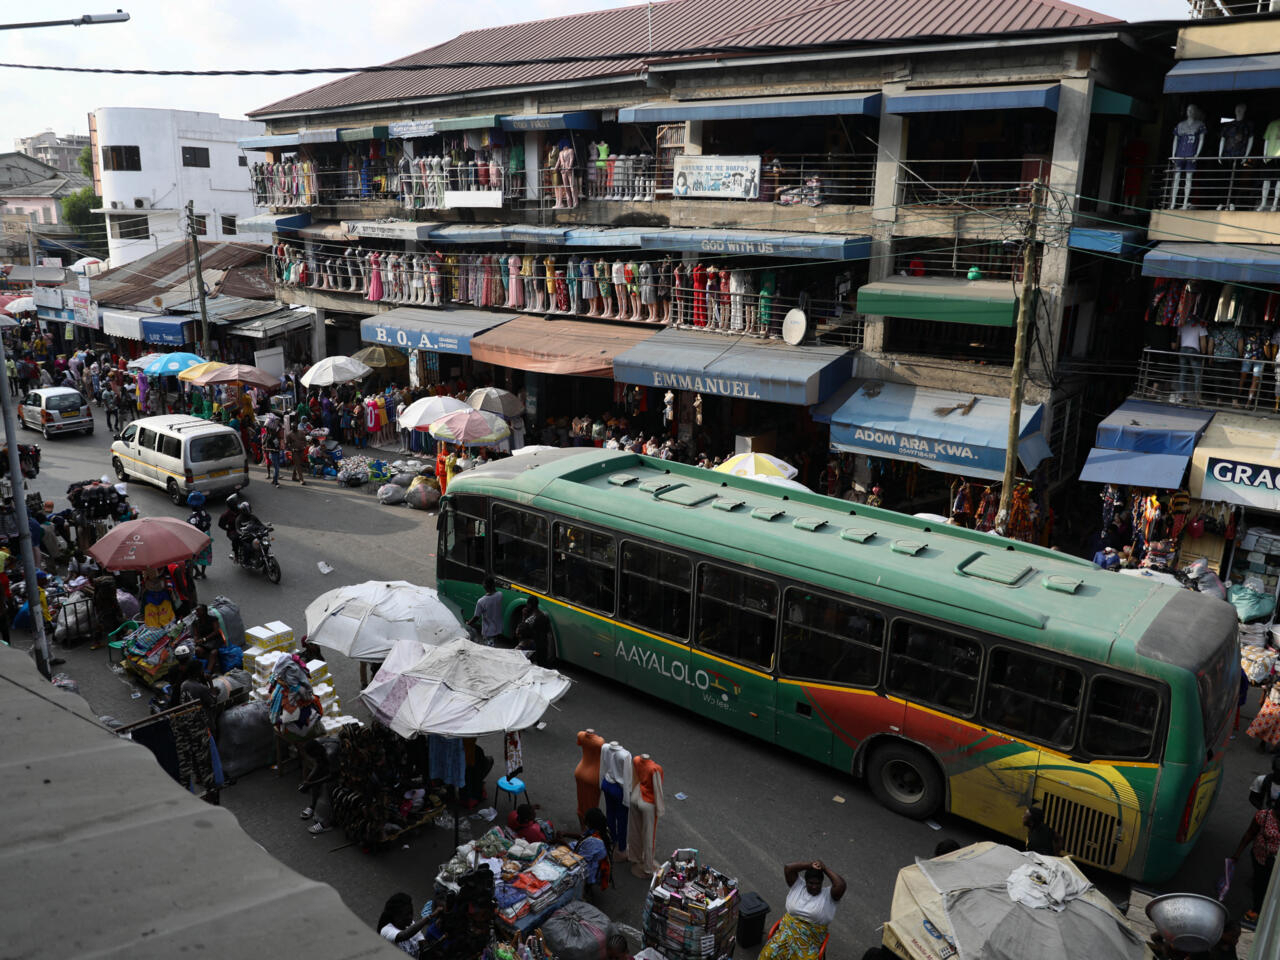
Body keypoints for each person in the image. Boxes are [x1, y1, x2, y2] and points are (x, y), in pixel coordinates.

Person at [759, 860, 846, 960]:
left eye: (818, 884)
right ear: (806, 881)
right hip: (785, 935)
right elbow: (788, 868)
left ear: (822, 883)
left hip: (809, 942)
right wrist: (809, 865)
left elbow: (841, 885)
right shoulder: (798, 885)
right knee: (768, 954)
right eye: (811, 883)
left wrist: (824, 868)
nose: (814, 886)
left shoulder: (828, 895)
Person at [1232, 787, 1280, 923]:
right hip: (1261, 859)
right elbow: (1249, 834)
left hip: (1277, 864)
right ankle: (1257, 910)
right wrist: (1237, 854)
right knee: (1260, 885)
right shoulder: (1263, 816)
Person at [561, 807, 612, 895]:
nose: (583, 819)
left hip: (590, 865)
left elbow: (579, 859)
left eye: (585, 818)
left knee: (564, 862)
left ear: (590, 823)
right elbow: (583, 837)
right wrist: (566, 834)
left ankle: (584, 889)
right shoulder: (601, 828)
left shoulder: (594, 841)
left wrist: (562, 843)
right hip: (590, 855)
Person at [377, 892, 433, 956]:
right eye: (407, 915)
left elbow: (421, 942)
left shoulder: (411, 924)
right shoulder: (386, 930)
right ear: (395, 916)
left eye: (411, 913)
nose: (411, 917)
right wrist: (429, 917)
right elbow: (403, 935)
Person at [514, 596, 554, 667]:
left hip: (534, 648)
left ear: (529, 605)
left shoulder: (530, 619)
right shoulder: (545, 615)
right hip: (543, 647)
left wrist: (524, 617)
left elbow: (519, 632)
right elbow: (548, 633)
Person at [468, 577, 503, 646]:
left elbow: (476, 617)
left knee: (489, 650)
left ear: (484, 586)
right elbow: (495, 592)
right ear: (493, 585)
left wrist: (468, 623)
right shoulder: (500, 595)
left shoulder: (481, 601)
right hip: (498, 630)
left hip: (488, 632)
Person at [191, 604, 223, 675]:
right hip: (204, 642)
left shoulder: (213, 619)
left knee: (213, 653)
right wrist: (196, 640)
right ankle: (210, 664)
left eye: (198, 611)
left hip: (214, 640)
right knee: (197, 650)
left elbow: (216, 631)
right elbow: (196, 634)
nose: (196, 613)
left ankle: (208, 672)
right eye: (196, 611)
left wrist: (205, 639)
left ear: (204, 612)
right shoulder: (195, 623)